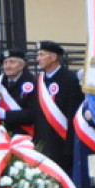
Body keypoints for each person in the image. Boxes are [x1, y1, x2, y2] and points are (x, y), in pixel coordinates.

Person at [33, 41, 81, 174]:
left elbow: (73, 113)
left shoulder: (69, 79)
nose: (38, 59)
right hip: (43, 142)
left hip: (62, 143)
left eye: (42, 55)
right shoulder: (39, 81)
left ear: (54, 57)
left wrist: (70, 147)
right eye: (38, 55)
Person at [0, 49, 37, 137]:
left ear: (22, 65)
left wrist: (4, 114)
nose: (8, 66)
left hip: (24, 135)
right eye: (5, 63)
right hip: (2, 134)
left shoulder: (33, 82)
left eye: (12, 62)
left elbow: (32, 114)